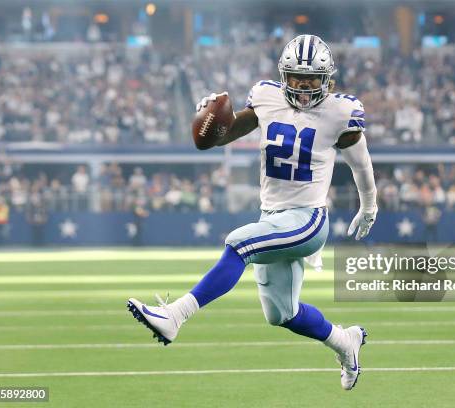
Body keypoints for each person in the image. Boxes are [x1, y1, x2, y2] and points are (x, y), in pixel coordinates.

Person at [127, 35, 377, 390]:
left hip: (307, 219)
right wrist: (210, 123)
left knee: (239, 243)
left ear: (327, 80)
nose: (304, 89)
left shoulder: (341, 112)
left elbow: (361, 166)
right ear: (283, 76)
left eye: (312, 81)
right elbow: (223, 135)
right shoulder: (266, 96)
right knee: (282, 314)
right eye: (296, 79)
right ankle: (344, 341)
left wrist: (369, 205)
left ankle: (174, 315)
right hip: (272, 217)